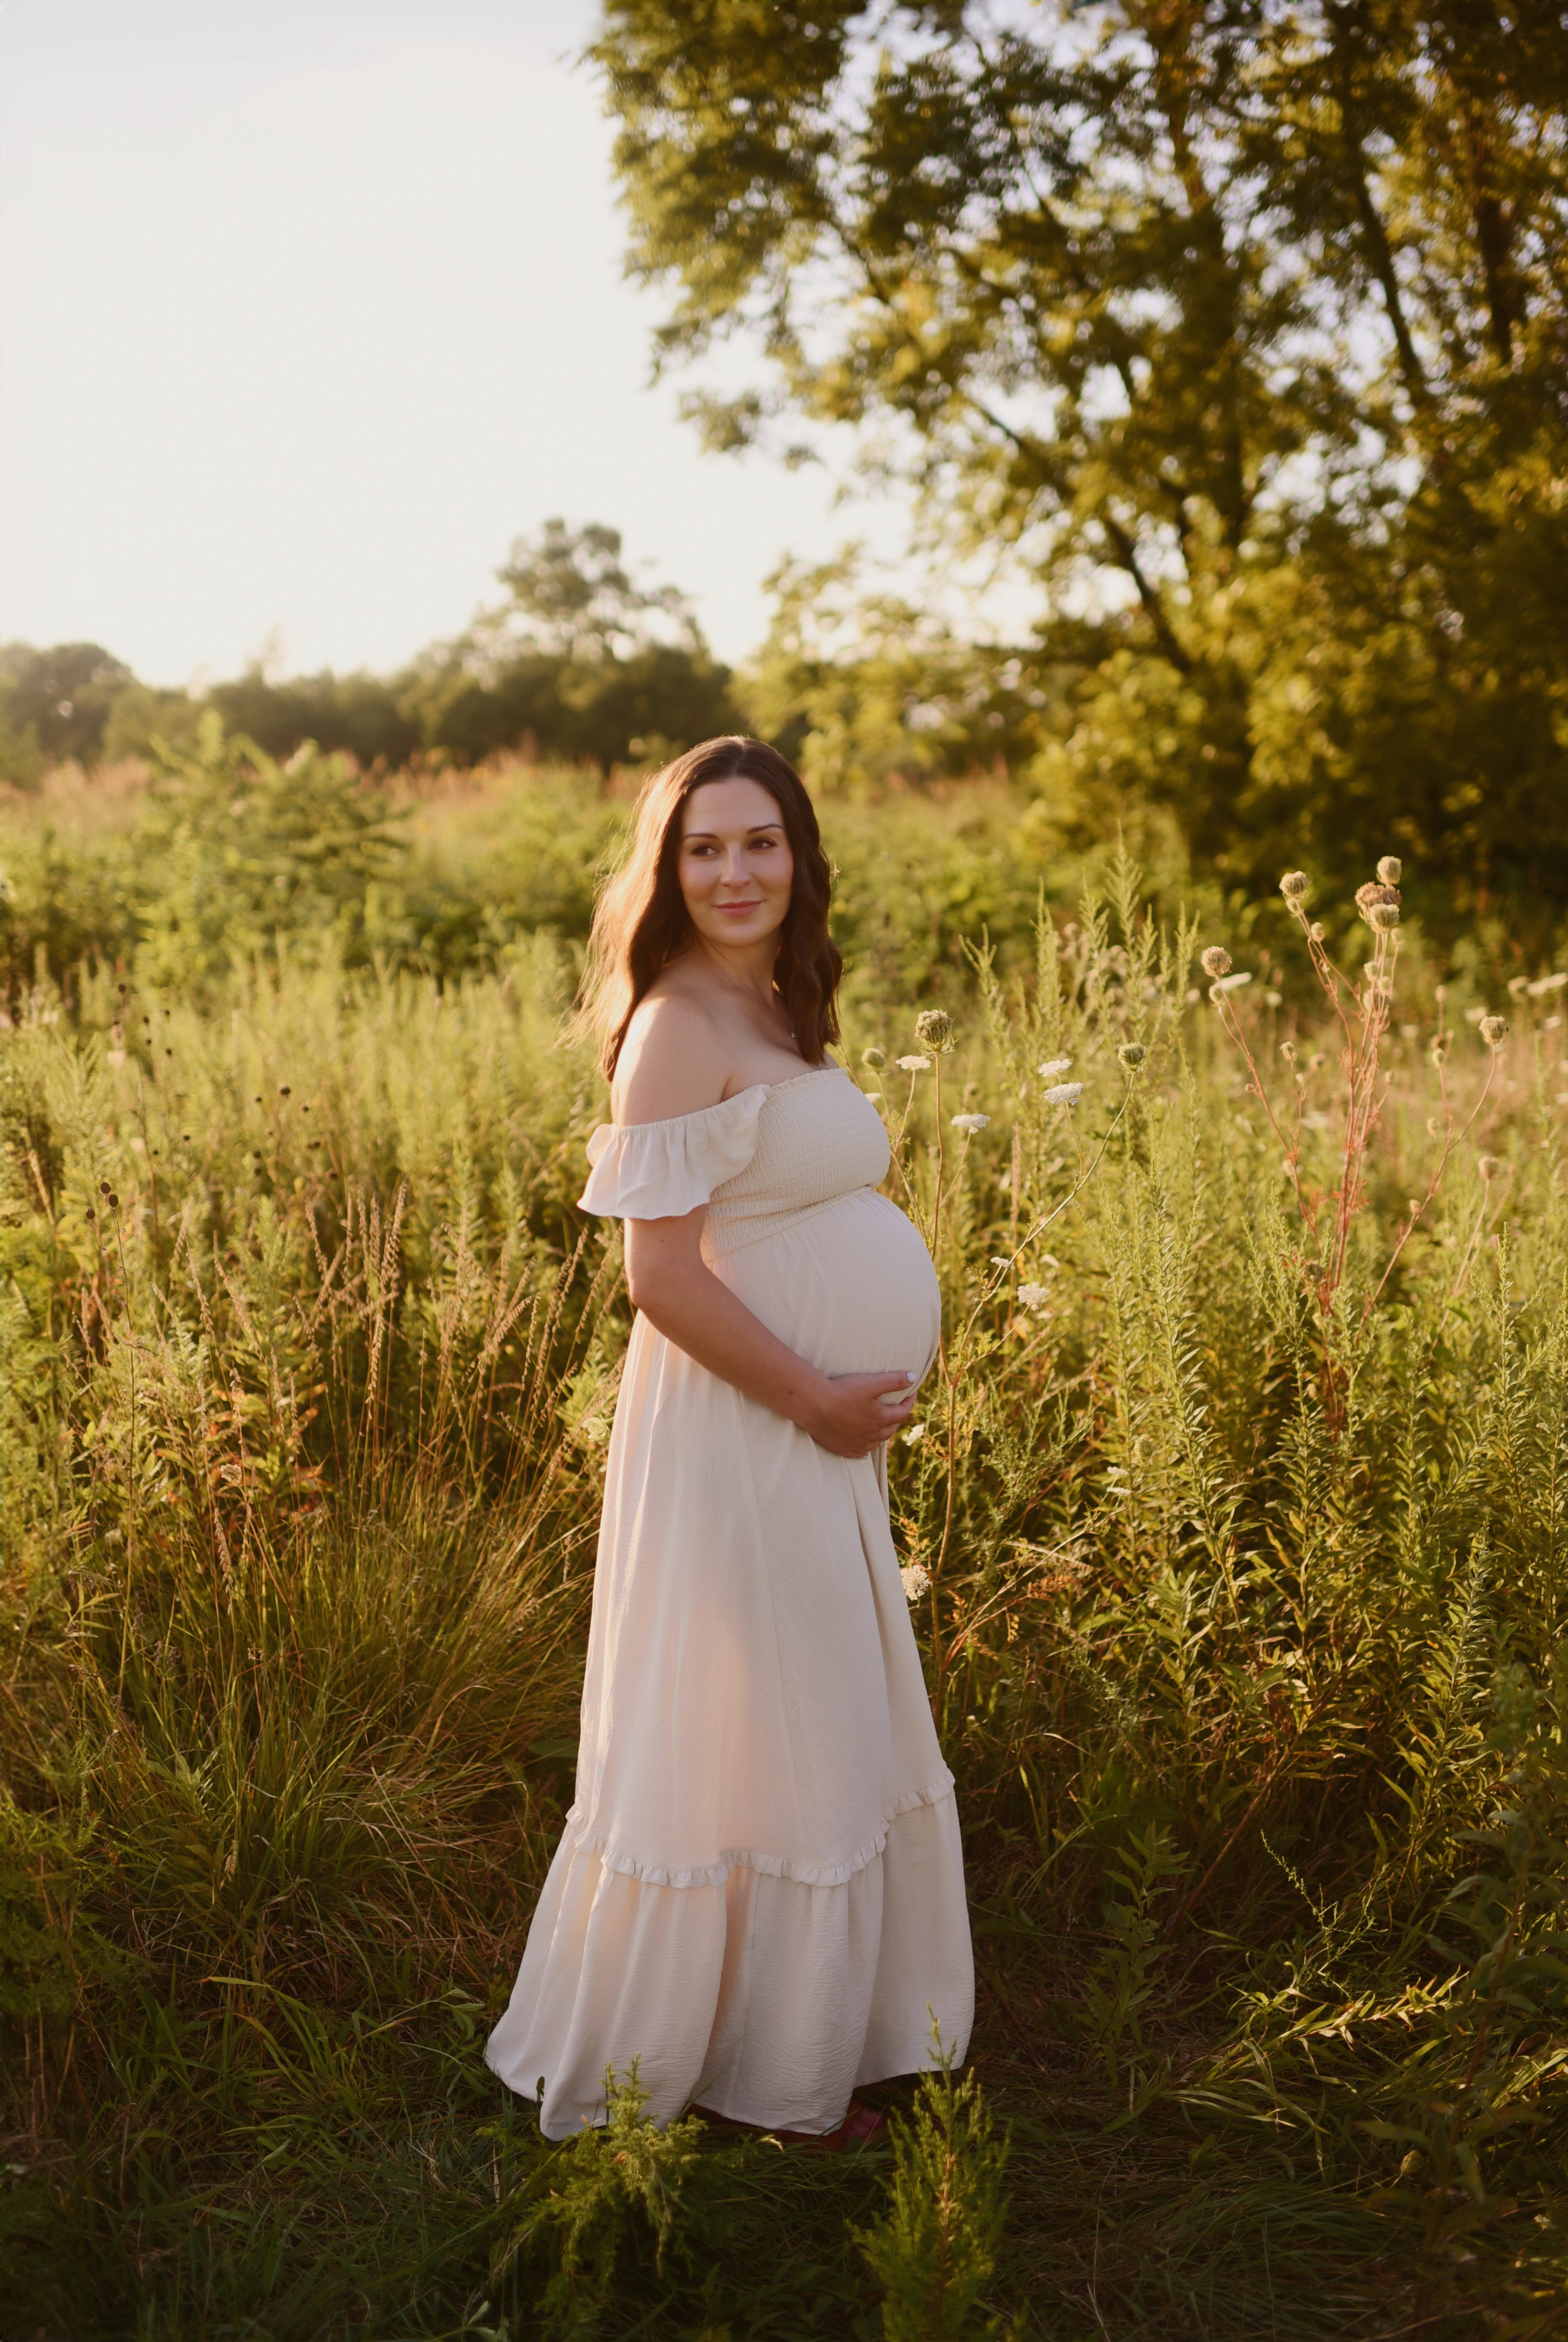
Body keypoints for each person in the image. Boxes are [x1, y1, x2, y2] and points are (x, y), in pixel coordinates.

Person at [485, 735, 973, 2146]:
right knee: (783, 1726)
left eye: (760, 842)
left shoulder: (768, 999)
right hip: (746, 1426)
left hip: (803, 1432)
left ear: (799, 857)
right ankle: (778, 2088)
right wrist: (815, 1398)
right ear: (669, 866)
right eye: (704, 847)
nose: (735, 870)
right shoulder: (677, 1024)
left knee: (808, 1718)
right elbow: (660, 1277)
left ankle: (801, 2038)